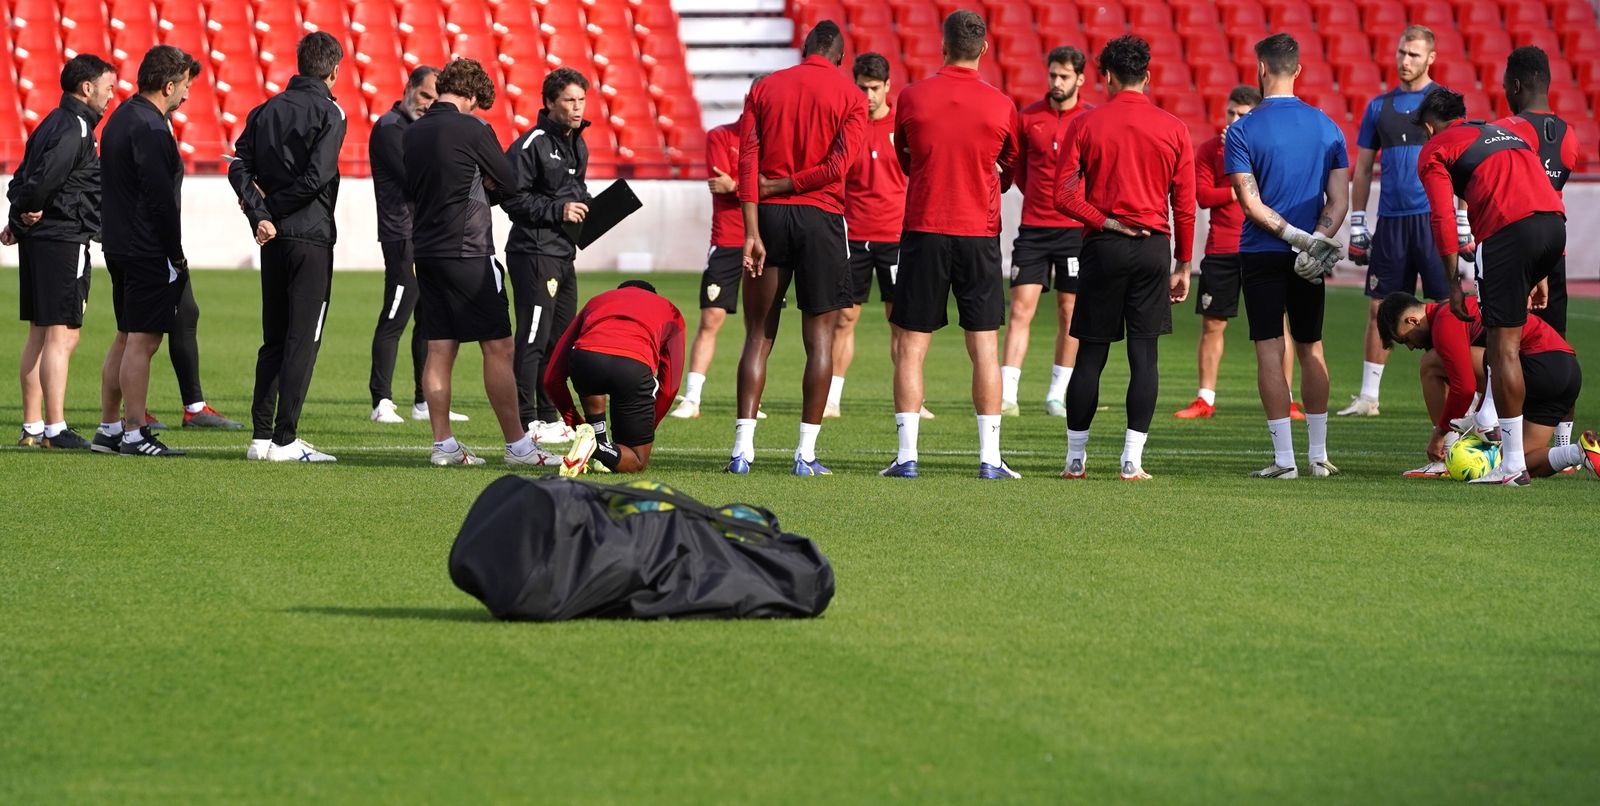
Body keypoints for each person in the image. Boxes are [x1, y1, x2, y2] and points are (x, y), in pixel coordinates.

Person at [882, 10, 1019, 480]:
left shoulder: (911, 96)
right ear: (984, 49)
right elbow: (1010, 167)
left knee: (911, 345)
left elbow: (905, 157)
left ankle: (907, 457)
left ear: (943, 47)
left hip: (924, 227)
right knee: (984, 346)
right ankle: (989, 459)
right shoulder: (1001, 104)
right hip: (978, 231)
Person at [1053, 35, 1194, 480]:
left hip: (1103, 245)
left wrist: (1107, 222)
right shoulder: (1174, 128)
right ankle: (1132, 460)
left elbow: (1063, 196)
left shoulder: (1085, 124)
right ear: (1147, 76)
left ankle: (1075, 459)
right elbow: (1184, 205)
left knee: (1091, 354)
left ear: (1108, 77)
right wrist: (1183, 263)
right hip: (1153, 247)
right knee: (1144, 355)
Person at [403, 58, 556, 467]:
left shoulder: (413, 131)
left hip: (426, 250)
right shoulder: (473, 128)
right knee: (499, 347)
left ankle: (443, 445)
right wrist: (487, 186)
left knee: (439, 348)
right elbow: (509, 181)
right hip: (468, 250)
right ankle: (518, 446)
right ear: (470, 96)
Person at [729, 20, 865, 475]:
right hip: (821, 219)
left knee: (757, 334)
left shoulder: (765, 87)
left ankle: (742, 451)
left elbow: (747, 160)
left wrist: (751, 230)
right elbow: (837, 167)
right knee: (820, 338)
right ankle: (804, 455)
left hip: (767, 218)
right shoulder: (851, 96)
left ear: (805, 47)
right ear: (840, 57)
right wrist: (788, 185)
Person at [1415, 88, 1565, 486]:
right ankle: (1486, 418)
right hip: (1554, 227)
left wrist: (1452, 283)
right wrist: (1540, 271)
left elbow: (1442, 217)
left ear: (1429, 127)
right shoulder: (1507, 132)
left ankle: (1511, 463)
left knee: (1503, 347)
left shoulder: (1435, 148)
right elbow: (1536, 189)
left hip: (1508, 234)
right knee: (1506, 343)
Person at [1225, 33, 1349, 479]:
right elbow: (1339, 200)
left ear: (1260, 68)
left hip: (1262, 251)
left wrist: (1295, 238)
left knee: (1269, 349)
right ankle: (1318, 455)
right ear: (1298, 70)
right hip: (1310, 253)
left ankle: (1284, 461)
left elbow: (1250, 203)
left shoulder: (1242, 129)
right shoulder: (1327, 126)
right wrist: (1315, 240)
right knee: (1311, 345)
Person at [229, 32, 347, 463]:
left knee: (274, 338)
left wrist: (260, 214)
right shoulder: (331, 111)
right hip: (309, 236)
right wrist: (272, 211)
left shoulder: (265, 109)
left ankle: (261, 437)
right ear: (334, 70)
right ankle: (285, 439)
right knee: (303, 339)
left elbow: (238, 165)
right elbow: (317, 177)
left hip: (273, 238)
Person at [1175, 86, 1308, 422]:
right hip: (1222, 248)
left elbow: (1278, 192)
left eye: (1243, 114)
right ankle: (1205, 398)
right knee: (1212, 325)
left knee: (1277, 326)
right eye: (1231, 112)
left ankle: (1288, 399)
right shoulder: (1210, 150)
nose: (1234, 120)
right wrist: (1242, 191)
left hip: (1264, 247)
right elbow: (1203, 196)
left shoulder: (1268, 148)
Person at [1342, 25, 1454, 418]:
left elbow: (1460, 160)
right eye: (1402, 53)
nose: (1405, 61)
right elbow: (1362, 168)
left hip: (1432, 221)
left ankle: (1463, 392)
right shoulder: (1379, 107)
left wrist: (1461, 218)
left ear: (1431, 58)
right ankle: (1368, 397)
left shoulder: (1443, 102)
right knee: (1380, 310)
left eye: (1414, 54)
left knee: (1449, 309)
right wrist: (1358, 221)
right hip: (1391, 223)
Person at [5, 54, 115, 450]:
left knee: (39, 332)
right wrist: (28, 208)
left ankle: (33, 426)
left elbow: (21, 177)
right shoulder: (76, 128)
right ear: (87, 88)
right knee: (62, 334)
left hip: (41, 239)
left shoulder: (51, 122)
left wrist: (19, 218)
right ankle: (54, 428)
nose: (111, 96)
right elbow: (42, 181)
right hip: (65, 237)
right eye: (108, 88)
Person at [94, 45, 199, 457]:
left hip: (119, 244)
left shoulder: (120, 117)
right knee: (144, 340)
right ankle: (135, 432)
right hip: (145, 247)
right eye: (185, 85)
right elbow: (160, 199)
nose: (187, 94)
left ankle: (108, 428)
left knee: (125, 335)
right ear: (168, 86)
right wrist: (175, 253)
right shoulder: (152, 128)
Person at [1376, 292, 1596, 480]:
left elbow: (1464, 388)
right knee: (1513, 461)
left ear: (1412, 321)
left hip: (1538, 363)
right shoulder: (1456, 310)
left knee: (1430, 363)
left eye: (1405, 340)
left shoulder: (1446, 318)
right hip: (1568, 371)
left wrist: (1439, 435)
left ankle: (1446, 458)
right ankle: (1579, 452)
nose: (1410, 347)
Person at [1494, 46, 1581, 455]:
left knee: (1504, 346)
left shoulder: (1503, 131)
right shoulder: (1569, 135)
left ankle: (1502, 439)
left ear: (1515, 84)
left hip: (1514, 250)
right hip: (1554, 252)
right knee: (1558, 346)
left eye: (1504, 84)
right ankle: (1562, 444)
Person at [827, 52, 920, 420]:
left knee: (900, 322)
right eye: (862, 87)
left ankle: (912, 400)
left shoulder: (904, 126)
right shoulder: (847, 126)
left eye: (874, 88)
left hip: (896, 237)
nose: (867, 95)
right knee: (844, 319)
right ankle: (832, 398)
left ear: (887, 87)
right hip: (853, 237)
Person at [1001, 45, 1092, 419]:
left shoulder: (1089, 120)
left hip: (1074, 232)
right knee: (1021, 309)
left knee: (1070, 312)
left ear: (1080, 79)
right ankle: (1007, 394)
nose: (1056, 81)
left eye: (1064, 76)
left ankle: (1056, 394)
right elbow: (1019, 172)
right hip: (1034, 230)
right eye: (1053, 74)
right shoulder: (1027, 118)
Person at [505, 66, 591, 444]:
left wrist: (592, 208)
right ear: (550, 103)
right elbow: (512, 198)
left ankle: (548, 414)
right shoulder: (532, 144)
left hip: (563, 253)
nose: (577, 107)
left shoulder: (578, 143)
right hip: (533, 252)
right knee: (533, 338)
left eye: (582, 99)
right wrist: (559, 211)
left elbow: (575, 192)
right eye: (570, 100)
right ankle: (526, 421)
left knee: (560, 340)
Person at [367, 65, 448, 425]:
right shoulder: (390, 128)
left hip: (426, 235)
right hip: (402, 235)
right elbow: (416, 179)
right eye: (425, 94)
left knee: (428, 320)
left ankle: (423, 400)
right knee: (395, 316)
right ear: (409, 88)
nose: (428, 104)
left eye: (435, 99)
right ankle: (381, 400)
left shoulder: (419, 131)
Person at [546, 280, 685, 475]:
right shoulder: (669, 309)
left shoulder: (598, 301)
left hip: (585, 362)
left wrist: (576, 424)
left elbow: (551, 378)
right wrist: (647, 427)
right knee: (636, 461)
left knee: (592, 369)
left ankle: (595, 441)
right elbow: (669, 388)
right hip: (632, 368)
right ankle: (597, 447)